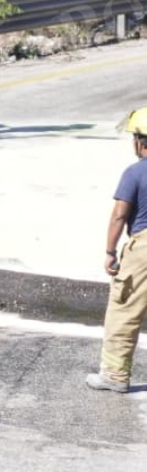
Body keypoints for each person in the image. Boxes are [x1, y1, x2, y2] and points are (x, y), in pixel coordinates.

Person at [85, 108, 147, 393]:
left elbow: (119, 216)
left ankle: (115, 375)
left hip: (143, 249)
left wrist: (110, 251)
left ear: (140, 142)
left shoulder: (135, 173)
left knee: (124, 309)